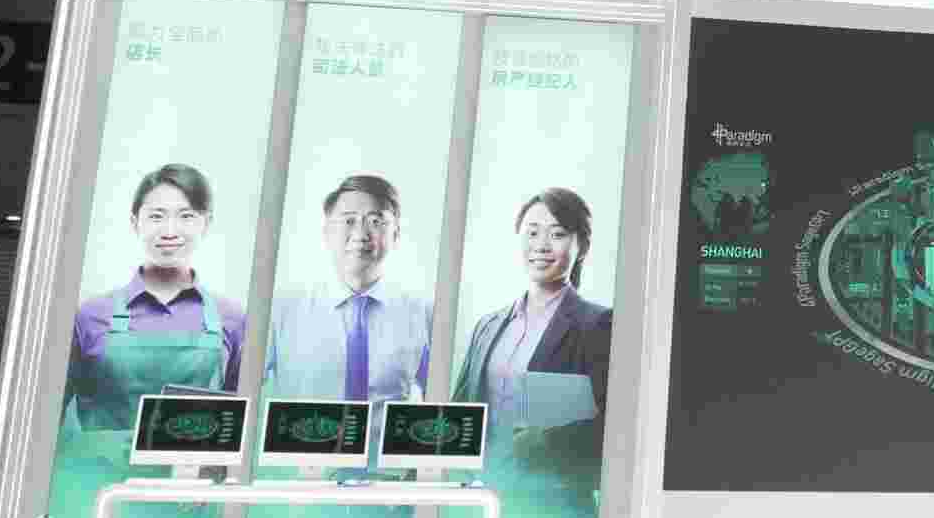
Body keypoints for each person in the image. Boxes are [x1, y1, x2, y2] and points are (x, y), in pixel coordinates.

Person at [68, 162, 247, 435]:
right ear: (134, 223)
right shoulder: (90, 315)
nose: (169, 231)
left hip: (192, 463)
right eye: (156, 216)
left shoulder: (232, 318)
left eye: (186, 216)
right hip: (100, 464)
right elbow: (47, 416)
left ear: (206, 223)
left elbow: (238, 424)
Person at [456, 186, 614, 427]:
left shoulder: (599, 325)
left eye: (557, 234)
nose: (541, 245)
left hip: (549, 454)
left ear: (582, 247)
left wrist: (546, 442)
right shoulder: (487, 326)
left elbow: (610, 421)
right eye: (532, 233)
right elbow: (458, 410)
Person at [273, 172, 436, 402]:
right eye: (349, 221)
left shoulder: (422, 313)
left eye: (376, 221)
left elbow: (437, 400)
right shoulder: (281, 309)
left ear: (396, 234)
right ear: (327, 232)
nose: (361, 234)